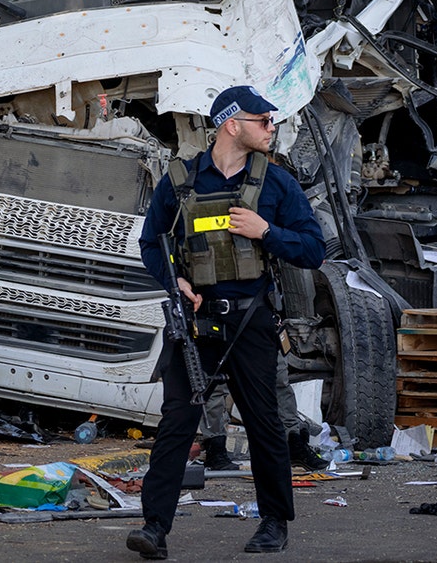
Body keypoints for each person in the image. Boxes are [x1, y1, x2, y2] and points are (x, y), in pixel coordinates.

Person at [128, 86, 326, 558]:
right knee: (178, 422)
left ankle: (274, 521)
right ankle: (154, 526)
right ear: (232, 124)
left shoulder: (277, 184)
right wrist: (175, 280)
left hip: (250, 321)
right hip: (196, 324)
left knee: (264, 424)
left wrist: (267, 232)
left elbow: (314, 249)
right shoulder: (181, 181)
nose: (271, 128)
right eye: (264, 121)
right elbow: (150, 244)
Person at [200, 352, 327, 472]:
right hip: (222, 332)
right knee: (215, 381)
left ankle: (293, 443)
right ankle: (215, 449)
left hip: (260, 330)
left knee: (278, 377)